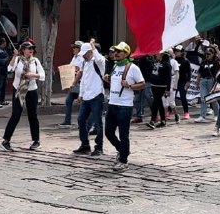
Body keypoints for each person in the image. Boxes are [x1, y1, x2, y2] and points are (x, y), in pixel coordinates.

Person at [105, 42, 145, 172]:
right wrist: (108, 79)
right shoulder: (115, 66)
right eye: (115, 51)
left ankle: (123, 160)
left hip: (125, 105)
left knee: (123, 134)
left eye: (119, 51)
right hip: (112, 103)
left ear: (126, 53)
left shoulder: (132, 68)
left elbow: (142, 84)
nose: (116, 53)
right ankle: (122, 150)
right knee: (109, 132)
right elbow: (115, 82)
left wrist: (130, 86)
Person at [0, 41, 44, 151]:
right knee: (16, 115)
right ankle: (6, 141)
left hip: (32, 90)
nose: (31, 50)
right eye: (29, 48)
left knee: (33, 116)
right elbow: (9, 69)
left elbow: (42, 75)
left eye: (32, 48)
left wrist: (34, 75)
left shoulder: (35, 61)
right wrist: (14, 57)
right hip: (19, 90)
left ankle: (36, 141)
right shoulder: (18, 59)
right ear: (23, 50)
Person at [72, 40, 106, 156]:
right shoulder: (85, 63)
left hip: (96, 95)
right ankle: (85, 144)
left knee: (97, 122)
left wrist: (93, 47)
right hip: (86, 97)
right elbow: (83, 81)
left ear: (90, 52)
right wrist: (80, 95)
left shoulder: (98, 61)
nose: (84, 56)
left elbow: (100, 59)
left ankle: (99, 147)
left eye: (85, 54)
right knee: (81, 119)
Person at [60, 41, 85, 127]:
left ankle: (82, 122)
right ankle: (67, 120)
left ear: (80, 48)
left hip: (81, 83)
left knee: (82, 103)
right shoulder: (74, 57)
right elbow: (71, 68)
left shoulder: (83, 58)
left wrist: (75, 70)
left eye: (75, 47)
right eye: (73, 47)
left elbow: (81, 70)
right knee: (68, 101)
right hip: (74, 83)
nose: (73, 49)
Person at [146, 50, 173, 129]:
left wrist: (168, 88)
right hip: (154, 85)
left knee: (155, 102)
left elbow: (169, 77)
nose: (155, 55)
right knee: (159, 103)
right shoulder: (155, 62)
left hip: (161, 86)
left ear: (162, 54)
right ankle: (163, 120)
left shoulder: (167, 64)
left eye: (157, 53)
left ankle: (153, 120)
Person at [194, 46, 219, 122]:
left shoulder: (216, 62)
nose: (207, 55)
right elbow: (199, 72)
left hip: (212, 81)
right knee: (203, 99)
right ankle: (202, 116)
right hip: (203, 81)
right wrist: (197, 82)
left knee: (213, 99)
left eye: (208, 54)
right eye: (206, 54)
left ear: (213, 54)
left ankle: (217, 115)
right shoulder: (204, 62)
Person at [173, 45, 191, 121]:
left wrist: (188, 81)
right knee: (172, 98)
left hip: (182, 82)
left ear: (182, 52)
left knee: (183, 98)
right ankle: (170, 111)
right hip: (174, 82)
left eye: (178, 51)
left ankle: (186, 112)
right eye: (175, 51)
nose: (176, 52)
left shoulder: (186, 61)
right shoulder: (173, 60)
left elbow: (189, 72)